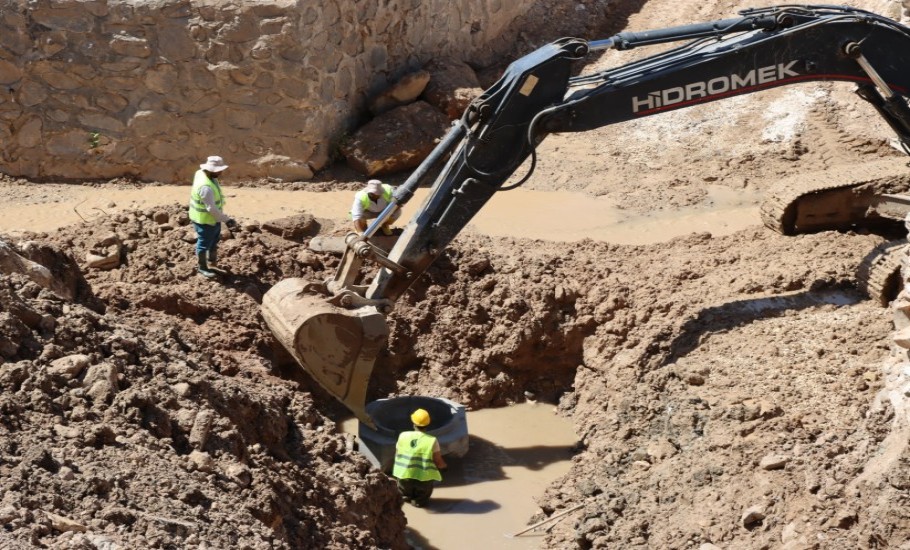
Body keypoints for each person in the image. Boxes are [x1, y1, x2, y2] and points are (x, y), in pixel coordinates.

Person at [188, 155, 237, 278]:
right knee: (203, 244)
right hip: (204, 219)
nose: (221, 172)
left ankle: (212, 263)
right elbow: (211, 209)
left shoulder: (201, 173)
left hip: (212, 219)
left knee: (214, 240)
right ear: (211, 170)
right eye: (219, 170)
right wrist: (227, 220)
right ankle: (202, 267)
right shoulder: (206, 188)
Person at [391, 408, 447, 507]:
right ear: (427, 424)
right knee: (421, 501)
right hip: (423, 479)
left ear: (413, 423)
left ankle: (407, 504)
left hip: (404, 475)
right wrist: (444, 468)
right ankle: (418, 504)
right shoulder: (432, 440)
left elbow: (397, 455)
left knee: (404, 497)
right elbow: (438, 461)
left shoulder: (403, 436)